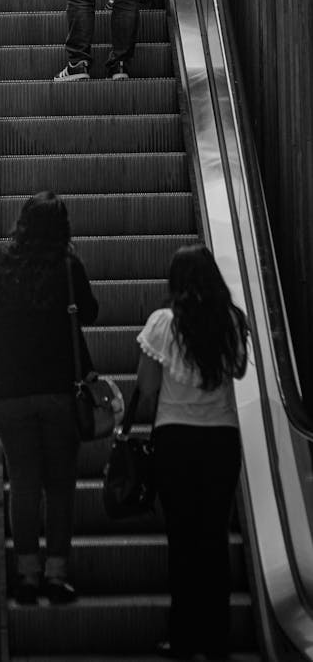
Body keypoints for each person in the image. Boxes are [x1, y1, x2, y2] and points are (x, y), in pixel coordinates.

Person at [0, 191, 98, 604]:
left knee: (22, 481)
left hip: (9, 395)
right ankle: (56, 574)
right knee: (59, 485)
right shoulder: (69, 268)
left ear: (21, 224)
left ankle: (27, 575)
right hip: (60, 392)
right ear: (62, 228)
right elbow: (90, 314)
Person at [136, 245, 249, 660]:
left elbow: (147, 388)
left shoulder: (163, 324)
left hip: (175, 440)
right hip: (221, 440)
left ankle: (182, 636)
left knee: (182, 541)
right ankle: (216, 639)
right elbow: (237, 370)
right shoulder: (232, 322)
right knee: (214, 540)